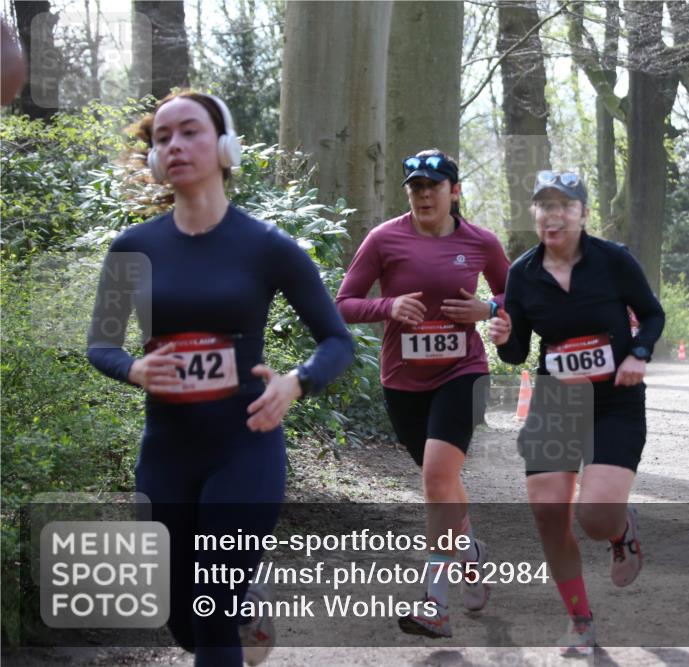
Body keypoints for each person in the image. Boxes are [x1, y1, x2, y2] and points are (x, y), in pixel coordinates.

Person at [87, 91, 355, 667]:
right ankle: (242, 609)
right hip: (167, 451)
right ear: (155, 158)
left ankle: (231, 608)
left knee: (211, 616)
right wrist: (133, 367)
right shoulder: (134, 247)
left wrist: (295, 382)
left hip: (245, 446)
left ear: (224, 145)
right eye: (163, 138)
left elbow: (338, 340)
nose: (175, 145)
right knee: (178, 616)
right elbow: (101, 344)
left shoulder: (268, 247)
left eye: (190, 132)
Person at [487, 170, 665, 656]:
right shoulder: (522, 273)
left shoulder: (613, 261)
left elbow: (652, 313)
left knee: (594, 517)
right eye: (544, 206)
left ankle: (620, 529)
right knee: (547, 511)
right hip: (557, 399)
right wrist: (504, 340)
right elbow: (518, 350)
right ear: (535, 216)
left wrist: (639, 353)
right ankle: (579, 620)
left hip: (615, 399)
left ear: (583, 214)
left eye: (565, 205)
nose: (554, 215)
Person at [335, 149, 509, 638]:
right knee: (442, 482)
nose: (424, 194)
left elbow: (519, 292)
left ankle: (435, 602)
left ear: (454, 191)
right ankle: (471, 555)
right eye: (415, 186)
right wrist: (388, 306)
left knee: (436, 475)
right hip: (403, 380)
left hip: (463, 371)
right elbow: (344, 303)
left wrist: (487, 307)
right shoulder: (384, 238)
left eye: (434, 186)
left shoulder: (481, 242)